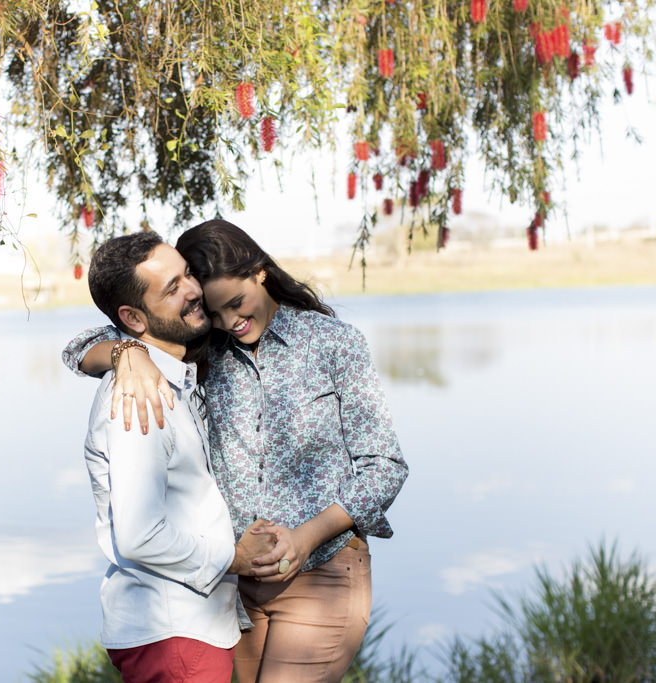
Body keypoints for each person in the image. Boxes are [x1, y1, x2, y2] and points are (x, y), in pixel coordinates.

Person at [63, 220, 408, 682]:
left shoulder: (333, 343)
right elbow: (79, 346)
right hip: (235, 588)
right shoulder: (206, 344)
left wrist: (306, 537)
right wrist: (127, 353)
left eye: (235, 304)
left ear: (260, 271)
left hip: (321, 572)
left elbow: (385, 467)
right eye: (215, 310)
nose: (229, 322)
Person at [80, 231, 276, 683]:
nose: (193, 290)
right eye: (172, 288)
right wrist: (236, 558)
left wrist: (125, 349)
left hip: (187, 633)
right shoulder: (138, 399)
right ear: (133, 317)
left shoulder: (169, 378)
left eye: (188, 274)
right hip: (174, 637)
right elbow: (139, 536)